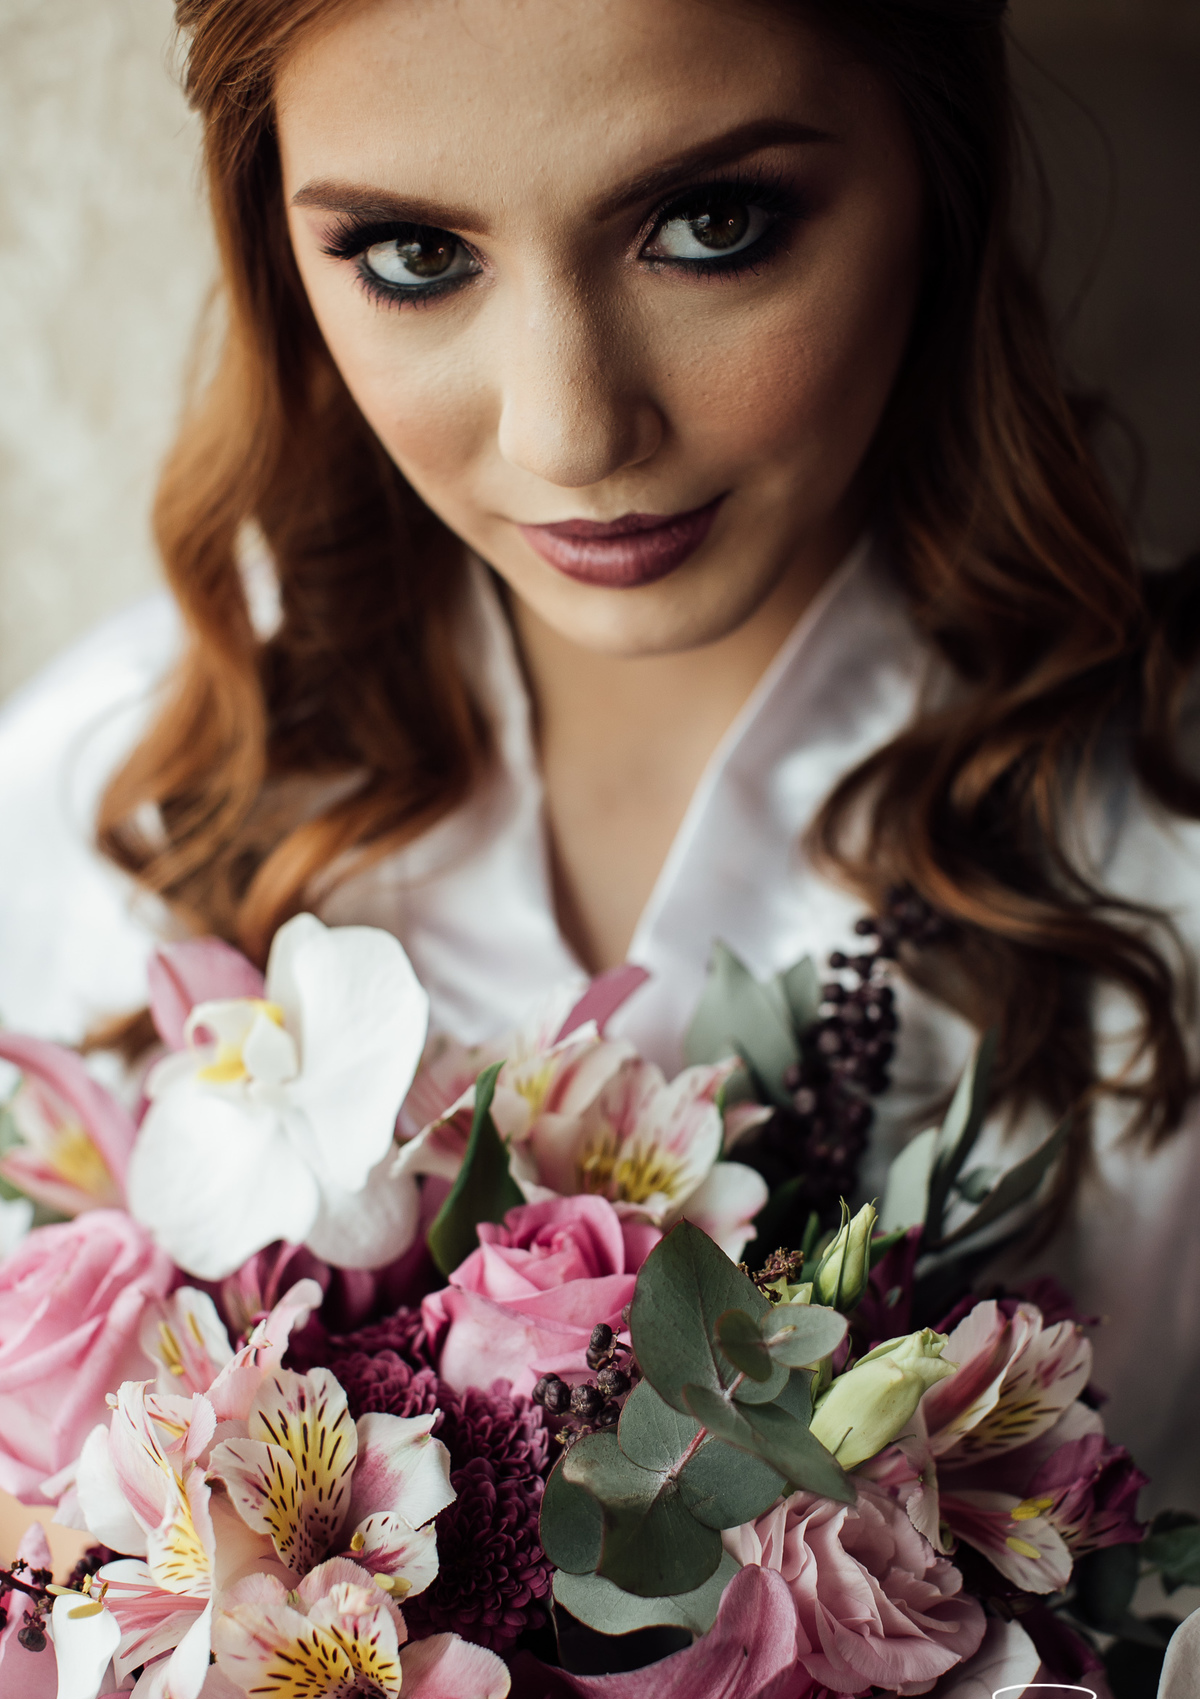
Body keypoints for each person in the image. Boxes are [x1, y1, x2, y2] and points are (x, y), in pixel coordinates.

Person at [0, 0, 1197, 1512]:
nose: (569, 433)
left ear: (938, 164)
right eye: (415, 256)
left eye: (712, 223)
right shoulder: (109, 797)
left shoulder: (1166, 839)